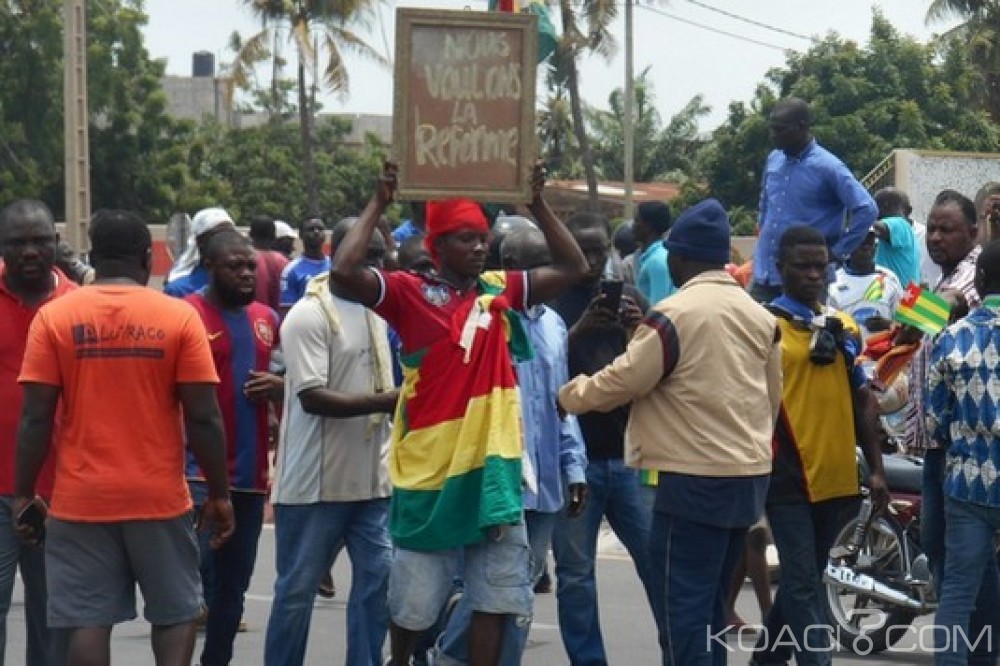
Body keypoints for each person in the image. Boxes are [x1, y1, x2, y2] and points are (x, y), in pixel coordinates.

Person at [330, 160, 587, 666]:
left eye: (482, 238)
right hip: (431, 470)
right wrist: (379, 200)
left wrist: (535, 204)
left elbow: (575, 268)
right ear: (437, 246)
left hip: (492, 468)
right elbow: (343, 271)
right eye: (465, 239)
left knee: (496, 595)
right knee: (414, 602)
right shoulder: (407, 291)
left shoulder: (499, 289)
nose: (479, 247)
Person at [558, 198, 782, 665]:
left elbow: (622, 381)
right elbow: (772, 398)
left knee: (683, 613)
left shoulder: (673, 314)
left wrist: (568, 396)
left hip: (690, 483)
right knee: (713, 612)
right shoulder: (761, 316)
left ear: (679, 257)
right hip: (747, 481)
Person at [14, 209, 235, 666]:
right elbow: (204, 418)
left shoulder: (54, 318)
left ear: (93, 256)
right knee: (175, 615)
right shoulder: (179, 318)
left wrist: (22, 493)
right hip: (159, 498)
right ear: (142, 258)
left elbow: (35, 418)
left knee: (88, 622)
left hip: (80, 499)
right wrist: (218, 493)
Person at [435, 228, 589, 665]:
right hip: (500, 478)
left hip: (547, 483)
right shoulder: (484, 321)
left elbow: (561, 402)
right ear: (505, 269)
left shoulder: (555, 324)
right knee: (495, 588)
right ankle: (446, 657)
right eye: (529, 265)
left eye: (546, 264)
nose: (542, 274)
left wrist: (574, 466)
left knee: (519, 592)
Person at [752, 225, 888, 666]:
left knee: (802, 581)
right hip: (786, 474)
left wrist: (877, 467)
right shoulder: (765, 325)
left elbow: (862, 400)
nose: (814, 274)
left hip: (837, 478)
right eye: (802, 266)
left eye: (820, 266)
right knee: (805, 583)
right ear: (780, 267)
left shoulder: (843, 327)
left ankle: (765, 662)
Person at [265, 218, 396, 666]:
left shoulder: (376, 312)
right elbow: (313, 397)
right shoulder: (309, 314)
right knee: (296, 594)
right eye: (367, 255)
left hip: (372, 483)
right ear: (338, 254)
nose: (376, 266)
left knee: (378, 585)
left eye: (381, 256)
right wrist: (390, 401)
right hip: (314, 487)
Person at [549, 211, 656, 666]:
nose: (592, 259)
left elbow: (660, 368)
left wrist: (640, 327)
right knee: (575, 575)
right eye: (582, 249)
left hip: (632, 455)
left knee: (657, 564)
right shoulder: (551, 305)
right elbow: (541, 375)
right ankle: (588, 661)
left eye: (599, 249)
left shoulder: (631, 298)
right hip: (575, 463)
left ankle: (679, 649)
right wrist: (579, 333)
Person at [900, 190, 994, 665]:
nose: (936, 237)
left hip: (957, 452)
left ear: (974, 234)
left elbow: (914, 321)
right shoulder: (938, 278)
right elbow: (903, 329)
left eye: (947, 229)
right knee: (965, 564)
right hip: (938, 448)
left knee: (952, 563)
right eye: (932, 229)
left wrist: (909, 313)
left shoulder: (977, 276)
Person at [184, 231, 280, 666]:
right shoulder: (186, 315)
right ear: (209, 266)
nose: (246, 274)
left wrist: (280, 386)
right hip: (197, 475)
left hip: (249, 477)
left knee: (232, 590)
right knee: (193, 585)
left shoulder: (265, 318)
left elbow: (288, 381)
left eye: (250, 267)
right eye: (234, 266)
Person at [0, 199, 74, 666]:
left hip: (61, 493)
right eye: (17, 242)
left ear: (56, 243)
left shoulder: (78, 306)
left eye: (40, 240)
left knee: (54, 622)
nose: (30, 250)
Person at [927, 240, 1000, 666]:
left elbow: (936, 424)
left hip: (967, 484)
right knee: (984, 582)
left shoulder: (951, 337)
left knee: (959, 591)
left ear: (982, 281)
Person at [750, 98, 877, 303]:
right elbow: (765, 206)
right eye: (771, 129)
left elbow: (867, 209)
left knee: (804, 333)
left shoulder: (829, 167)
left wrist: (837, 252)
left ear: (802, 127)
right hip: (764, 275)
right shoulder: (774, 159)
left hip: (806, 280)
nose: (773, 136)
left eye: (780, 130)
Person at [826, 230, 905, 341]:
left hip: (883, 356)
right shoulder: (834, 281)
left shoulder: (890, 278)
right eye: (861, 241)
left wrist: (887, 324)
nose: (866, 245)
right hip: (849, 355)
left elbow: (904, 324)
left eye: (870, 241)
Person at [164, 207, 236, 297]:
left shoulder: (242, 284)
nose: (226, 240)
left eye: (230, 234)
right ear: (200, 242)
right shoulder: (179, 290)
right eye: (218, 235)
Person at [280, 217, 330, 316]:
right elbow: (286, 311)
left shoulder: (335, 266)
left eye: (320, 229)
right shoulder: (291, 270)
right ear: (301, 235)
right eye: (311, 229)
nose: (316, 232)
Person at [872, 187, 920, 287]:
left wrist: (862, 214)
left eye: (875, 208)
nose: (876, 213)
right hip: (909, 293)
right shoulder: (907, 231)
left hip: (897, 293)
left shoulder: (899, 223)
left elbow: (875, 228)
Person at [633, 201, 675, 304]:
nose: (633, 226)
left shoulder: (656, 261)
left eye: (637, 221)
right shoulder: (656, 255)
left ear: (647, 226)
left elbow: (658, 304)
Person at [249, 215, 290, 311]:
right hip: (280, 321)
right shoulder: (284, 262)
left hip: (254, 320)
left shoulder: (246, 261)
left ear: (251, 235)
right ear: (274, 237)